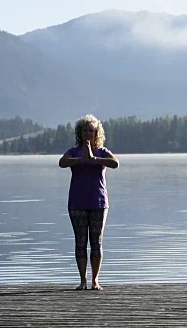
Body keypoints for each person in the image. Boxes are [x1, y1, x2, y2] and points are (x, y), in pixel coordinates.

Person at [59, 114, 119, 290]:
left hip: (98, 202)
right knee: (80, 241)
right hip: (77, 202)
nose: (88, 133)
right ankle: (82, 281)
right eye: (85, 130)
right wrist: (80, 160)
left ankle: (95, 280)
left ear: (96, 133)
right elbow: (62, 162)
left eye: (91, 131)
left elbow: (115, 163)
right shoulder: (73, 151)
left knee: (96, 241)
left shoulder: (102, 151)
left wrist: (94, 159)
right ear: (80, 132)